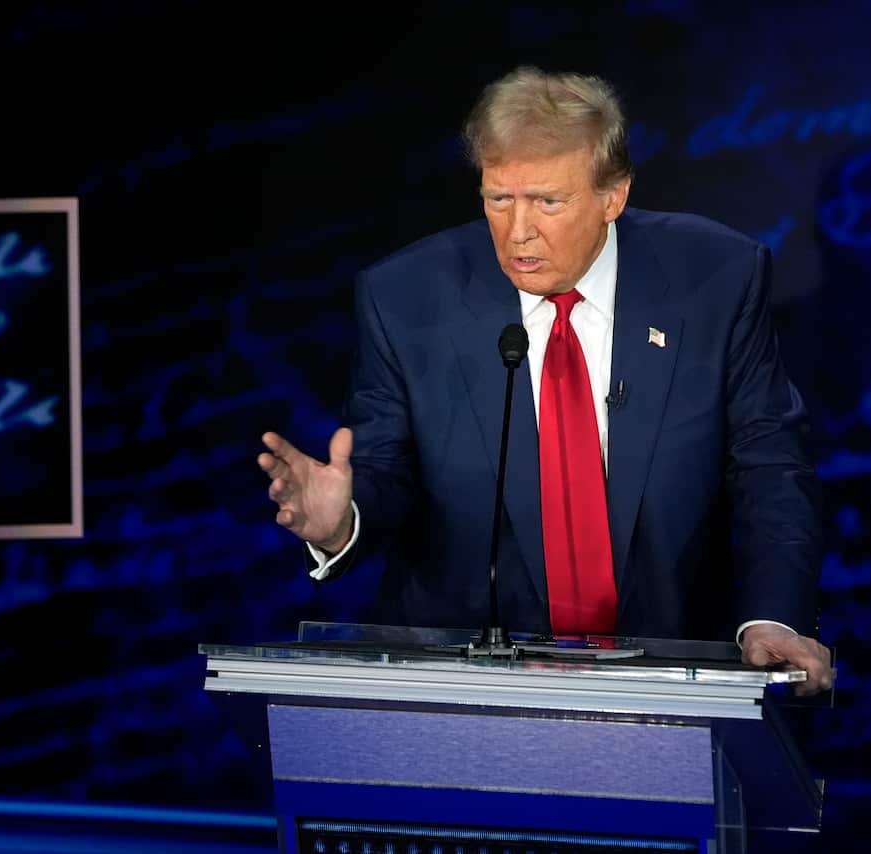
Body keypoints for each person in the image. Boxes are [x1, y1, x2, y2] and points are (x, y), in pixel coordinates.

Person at [258, 66, 834, 694]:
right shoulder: (404, 297)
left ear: (613, 196)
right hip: (468, 683)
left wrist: (773, 617)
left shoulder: (717, 279)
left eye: (548, 202)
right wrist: (346, 521)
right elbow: (384, 468)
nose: (518, 231)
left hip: (676, 668)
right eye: (498, 199)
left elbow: (768, 464)